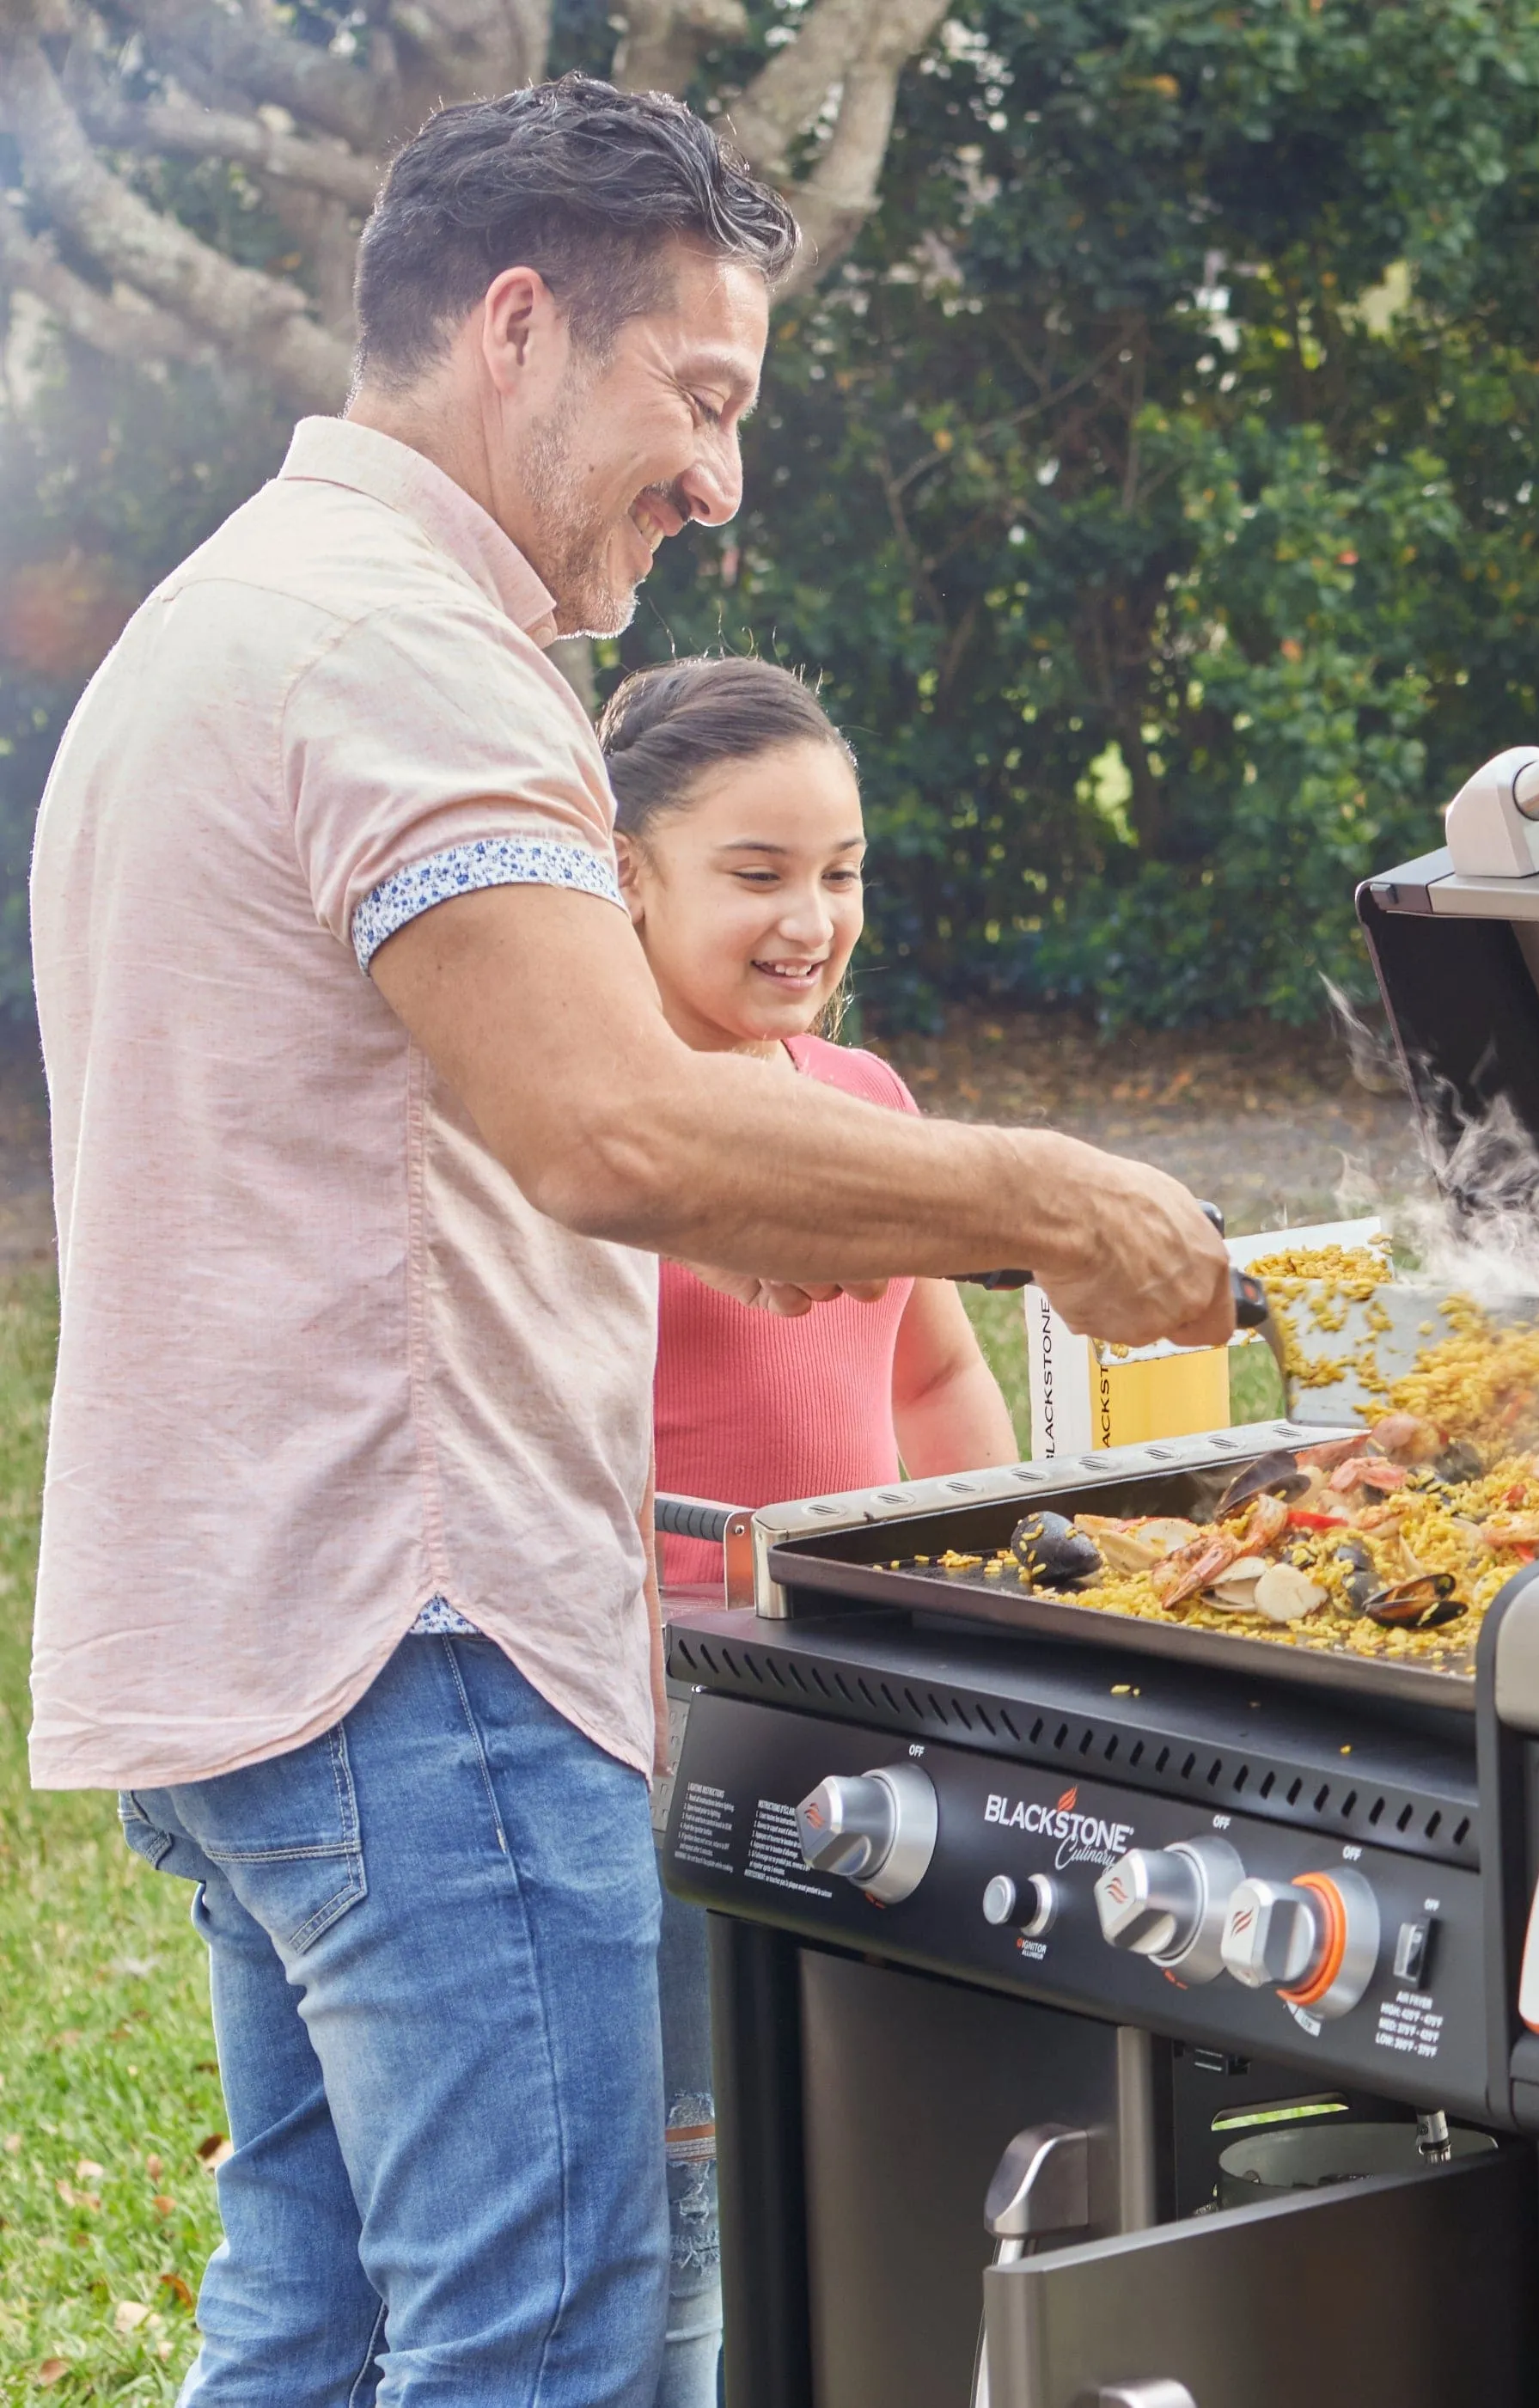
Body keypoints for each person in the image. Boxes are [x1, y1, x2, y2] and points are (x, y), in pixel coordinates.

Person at [26, 76, 1235, 2408]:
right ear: (517, 330)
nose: (724, 476)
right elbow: (606, 1127)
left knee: (309, 2316)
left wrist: (781, 1199)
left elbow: (426, 1121)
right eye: (700, 396)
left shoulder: (226, 614)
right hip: (422, 1644)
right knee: (548, 2340)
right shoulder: (405, 645)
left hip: (233, 1627)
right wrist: (1047, 1202)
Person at [595, 651, 1023, 2401]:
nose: (811, 921)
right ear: (626, 877)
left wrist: (988, 1605)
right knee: (686, 2214)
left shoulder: (865, 1107)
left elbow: (931, 1381)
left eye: (839, 872)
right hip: (669, 1742)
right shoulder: (593, 1145)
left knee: (851, 2170)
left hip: (860, 1725)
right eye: (756, 874)